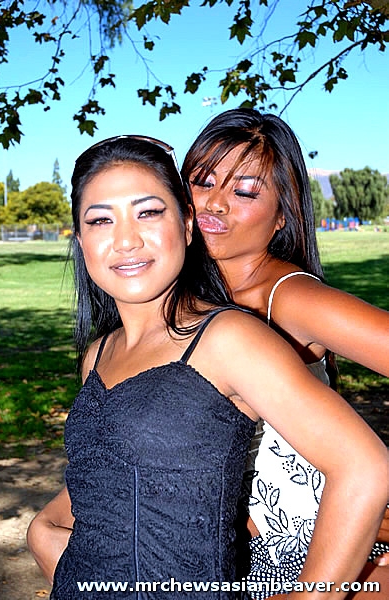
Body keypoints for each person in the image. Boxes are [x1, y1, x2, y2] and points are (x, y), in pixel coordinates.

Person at [27, 135, 387, 600]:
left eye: (148, 212)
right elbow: (131, 467)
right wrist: (44, 532)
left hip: (284, 558)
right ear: (79, 239)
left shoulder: (253, 320)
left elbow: (363, 466)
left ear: (185, 224)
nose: (126, 239)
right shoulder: (101, 353)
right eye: (203, 181)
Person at [181, 108, 389, 598]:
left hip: (308, 562)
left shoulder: (288, 297)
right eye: (203, 181)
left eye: (244, 191)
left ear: (282, 215)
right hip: (222, 555)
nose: (215, 202)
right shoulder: (188, 301)